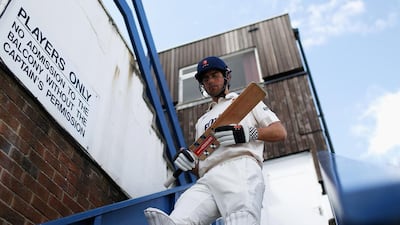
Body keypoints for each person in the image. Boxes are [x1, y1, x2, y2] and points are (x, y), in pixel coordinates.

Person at [144, 56, 287, 225]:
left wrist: (248, 133)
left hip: (240, 169)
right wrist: (190, 165)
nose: (210, 81)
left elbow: (279, 132)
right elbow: (204, 160)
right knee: (181, 217)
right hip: (208, 178)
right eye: (205, 78)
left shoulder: (246, 102)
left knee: (241, 219)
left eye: (215, 75)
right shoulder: (202, 121)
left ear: (227, 76)